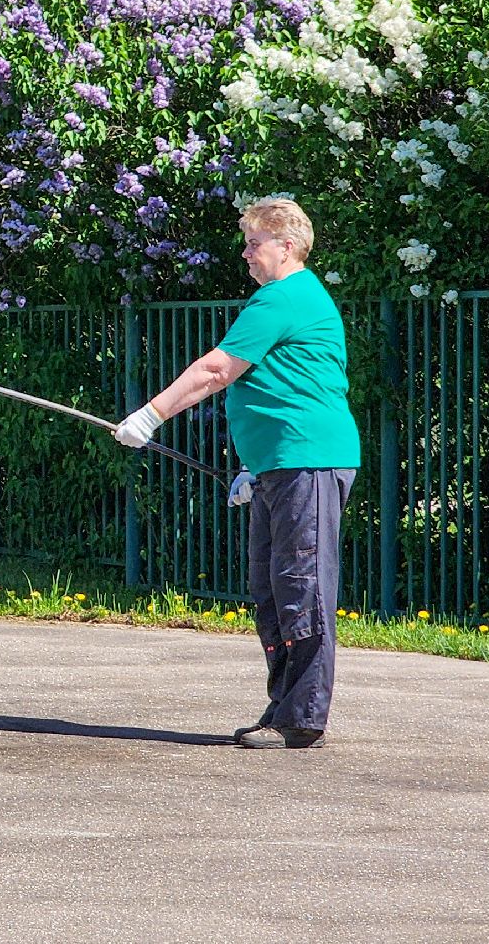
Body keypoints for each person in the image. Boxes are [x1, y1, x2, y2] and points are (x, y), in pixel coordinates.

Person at [112, 197, 360, 749]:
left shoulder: (283, 297)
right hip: (283, 465)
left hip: (308, 462)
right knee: (271, 589)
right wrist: (253, 467)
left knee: (302, 586)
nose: (246, 254)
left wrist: (151, 415)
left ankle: (301, 719)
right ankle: (285, 710)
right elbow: (286, 386)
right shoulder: (285, 299)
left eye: (254, 243)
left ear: (286, 245)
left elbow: (218, 370)